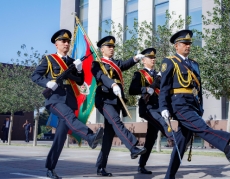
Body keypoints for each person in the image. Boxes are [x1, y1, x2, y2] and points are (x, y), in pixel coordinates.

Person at [159, 30, 230, 179]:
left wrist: (200, 107)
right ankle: (227, 149)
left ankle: (169, 176)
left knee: (180, 143)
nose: (188, 46)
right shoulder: (169, 61)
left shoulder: (194, 64)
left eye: (189, 44)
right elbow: (164, 88)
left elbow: (198, 88)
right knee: (201, 128)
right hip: (178, 104)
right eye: (185, 44)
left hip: (192, 105)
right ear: (176, 46)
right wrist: (163, 107)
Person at [31, 29, 104, 179]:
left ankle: (50, 168)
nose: (66, 43)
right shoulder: (49, 59)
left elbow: (80, 81)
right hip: (55, 99)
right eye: (63, 41)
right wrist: (48, 83)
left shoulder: (72, 61)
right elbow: (35, 76)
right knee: (70, 117)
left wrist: (78, 69)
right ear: (56, 44)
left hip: (69, 100)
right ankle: (90, 136)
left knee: (60, 137)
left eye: (68, 41)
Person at [91, 35, 146, 177]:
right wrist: (113, 84)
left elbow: (124, 64)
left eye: (113, 47)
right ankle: (132, 147)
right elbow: (101, 77)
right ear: (102, 49)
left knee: (108, 136)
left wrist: (136, 58)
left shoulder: (115, 63)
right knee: (116, 121)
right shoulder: (97, 63)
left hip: (115, 100)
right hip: (104, 100)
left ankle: (100, 167)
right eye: (109, 47)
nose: (112, 49)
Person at [129, 48, 174, 174]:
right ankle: (174, 139)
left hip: (159, 107)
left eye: (154, 58)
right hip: (148, 108)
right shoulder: (139, 74)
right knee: (161, 122)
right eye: (150, 58)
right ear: (143, 60)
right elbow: (132, 90)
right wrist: (146, 89)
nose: (153, 60)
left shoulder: (158, 75)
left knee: (151, 138)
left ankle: (141, 165)